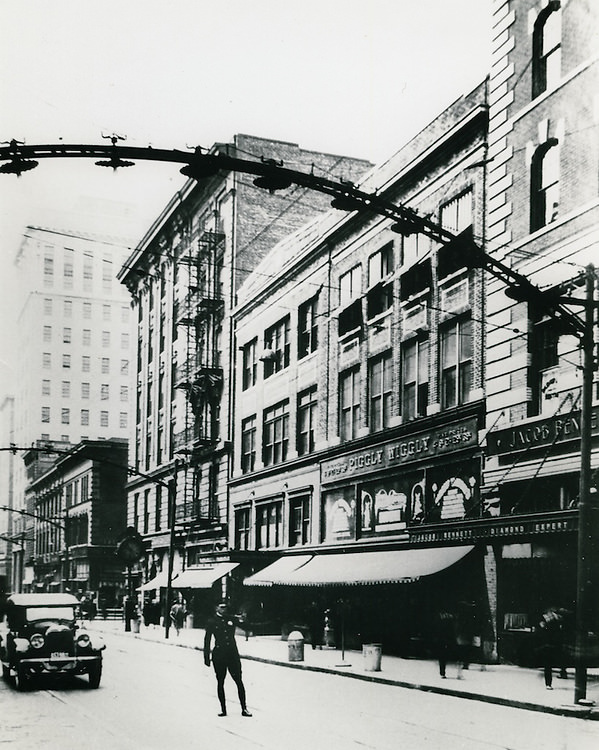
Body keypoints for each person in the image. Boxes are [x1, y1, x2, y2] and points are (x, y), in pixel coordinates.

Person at [203, 602, 252, 717]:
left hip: (232, 655)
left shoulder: (231, 619)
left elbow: (246, 627)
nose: (224, 610)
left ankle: (244, 708)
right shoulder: (211, 622)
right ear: (216, 608)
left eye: (225, 607)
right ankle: (223, 709)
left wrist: (245, 620)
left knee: (239, 681)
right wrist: (206, 657)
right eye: (221, 607)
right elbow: (207, 640)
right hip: (219, 656)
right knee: (221, 682)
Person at [536, 607, 564, 689]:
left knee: (547, 664)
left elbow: (542, 629)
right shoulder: (559, 618)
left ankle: (548, 684)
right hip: (556, 643)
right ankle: (562, 672)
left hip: (548, 643)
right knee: (558, 660)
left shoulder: (545, 618)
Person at [436, 609, 458, 679]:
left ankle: (442, 672)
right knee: (444, 655)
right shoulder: (451, 618)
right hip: (446, 638)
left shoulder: (440, 617)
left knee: (442, 656)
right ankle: (443, 672)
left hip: (442, 639)